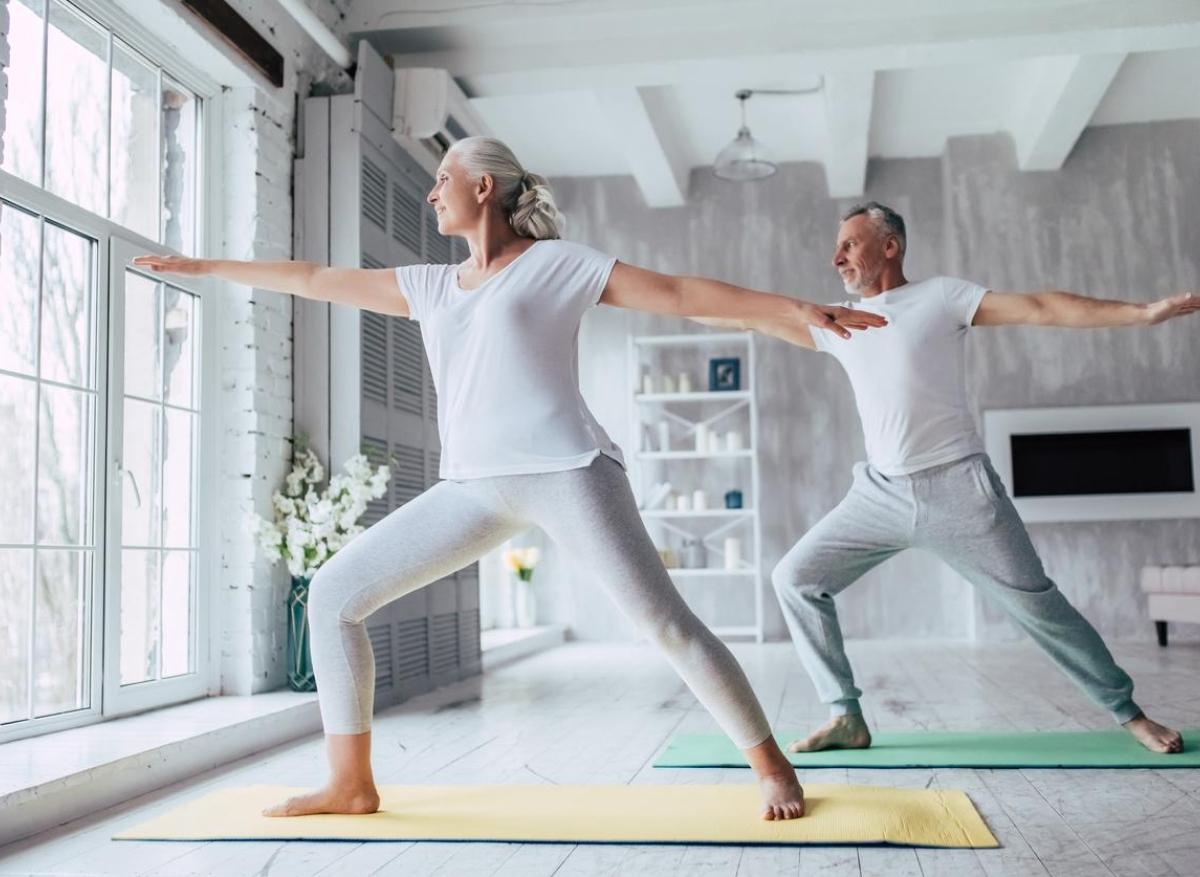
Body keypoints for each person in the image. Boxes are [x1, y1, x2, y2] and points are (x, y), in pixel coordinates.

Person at [133, 137, 888, 821]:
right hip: (473, 488)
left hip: (570, 472)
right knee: (333, 596)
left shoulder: (557, 264)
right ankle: (351, 782)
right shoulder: (431, 286)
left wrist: (795, 309)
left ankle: (770, 765)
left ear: (484, 186)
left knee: (664, 623)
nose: (432, 194)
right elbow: (315, 276)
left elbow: (681, 294)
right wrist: (203, 267)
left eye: (441, 180)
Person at [708, 201, 1195, 756]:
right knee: (794, 579)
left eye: (849, 243)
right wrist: (665, 304)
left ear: (889, 246)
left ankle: (1128, 713)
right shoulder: (836, 322)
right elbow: (744, 315)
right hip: (880, 494)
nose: (835, 256)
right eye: (838, 246)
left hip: (960, 489)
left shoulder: (940, 297)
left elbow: (1038, 306)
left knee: (1039, 607)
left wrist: (1142, 313)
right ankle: (845, 715)